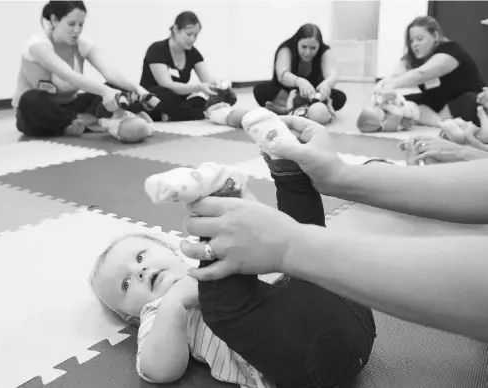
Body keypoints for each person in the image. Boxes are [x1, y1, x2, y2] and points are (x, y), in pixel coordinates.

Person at [89, 111, 376, 387]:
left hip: (338, 299)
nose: (139, 271)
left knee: (302, 242)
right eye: (125, 283)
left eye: (141, 256)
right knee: (222, 296)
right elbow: (158, 371)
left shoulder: (196, 268)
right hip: (301, 360)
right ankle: (220, 200)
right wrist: (173, 304)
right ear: (131, 317)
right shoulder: (156, 314)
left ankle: (287, 169)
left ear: (172, 251)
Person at [180, 114, 488, 343]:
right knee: (298, 261)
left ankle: (263, 185)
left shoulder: (167, 307)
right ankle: (291, 173)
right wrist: (338, 175)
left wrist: (286, 245)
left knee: (224, 308)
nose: (139, 272)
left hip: (329, 331)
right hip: (352, 297)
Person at [12, 1, 159, 138]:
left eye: (81, 24)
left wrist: (139, 90)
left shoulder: (82, 43)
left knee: (112, 87)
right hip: (36, 113)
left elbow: (109, 72)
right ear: (54, 20)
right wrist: (104, 92)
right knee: (30, 99)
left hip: (70, 106)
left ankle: (79, 123)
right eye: (71, 24)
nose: (77, 30)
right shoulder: (38, 44)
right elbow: (68, 75)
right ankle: (83, 122)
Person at [376, 16, 485, 129]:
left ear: (435, 36)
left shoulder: (451, 50)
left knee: (469, 101)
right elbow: (397, 74)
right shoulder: (414, 57)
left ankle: (441, 120)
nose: (414, 44)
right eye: (411, 41)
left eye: (419, 39)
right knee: (400, 102)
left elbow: (422, 73)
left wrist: (392, 84)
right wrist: (384, 86)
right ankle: (442, 122)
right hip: (438, 100)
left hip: (469, 101)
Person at [139, 11, 237, 122]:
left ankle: (171, 115)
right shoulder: (157, 49)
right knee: (165, 94)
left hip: (178, 98)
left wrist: (221, 85)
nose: (192, 39)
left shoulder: (193, 53)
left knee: (214, 98)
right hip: (155, 96)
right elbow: (166, 84)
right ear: (176, 29)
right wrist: (197, 88)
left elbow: (207, 80)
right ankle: (196, 112)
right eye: (188, 34)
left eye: (195, 35)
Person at [253, 23, 347, 125]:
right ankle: (309, 109)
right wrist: (299, 82)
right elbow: (282, 75)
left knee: (340, 97)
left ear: (319, 46)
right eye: (304, 47)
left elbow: (332, 75)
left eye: (313, 48)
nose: (307, 52)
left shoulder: (325, 51)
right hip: (288, 93)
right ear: (297, 42)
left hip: (313, 94)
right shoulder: (286, 48)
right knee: (261, 90)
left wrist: (327, 84)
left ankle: (290, 109)